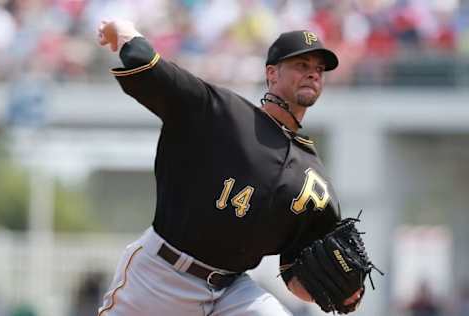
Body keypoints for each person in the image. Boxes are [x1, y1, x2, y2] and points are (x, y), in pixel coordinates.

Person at [97, 20, 362, 316]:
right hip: (160, 276)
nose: (313, 72)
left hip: (232, 292)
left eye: (319, 69)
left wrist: (342, 292)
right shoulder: (222, 113)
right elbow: (147, 66)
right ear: (271, 73)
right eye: (302, 64)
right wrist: (124, 32)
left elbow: (294, 275)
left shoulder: (314, 180)